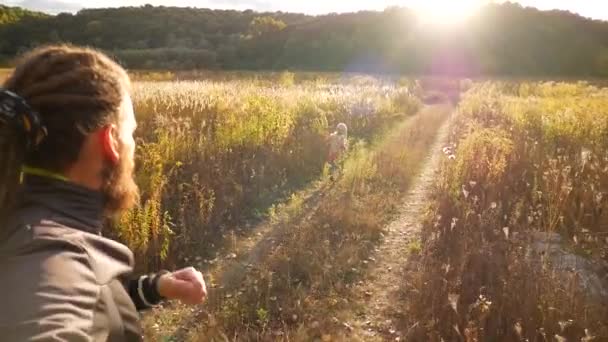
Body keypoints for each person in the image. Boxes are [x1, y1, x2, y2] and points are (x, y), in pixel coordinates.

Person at [0, 45, 207, 341]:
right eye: (131, 133)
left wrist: (154, 287)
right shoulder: (49, 252)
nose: (134, 147)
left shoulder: (20, 214)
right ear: (110, 142)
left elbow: (85, 301)